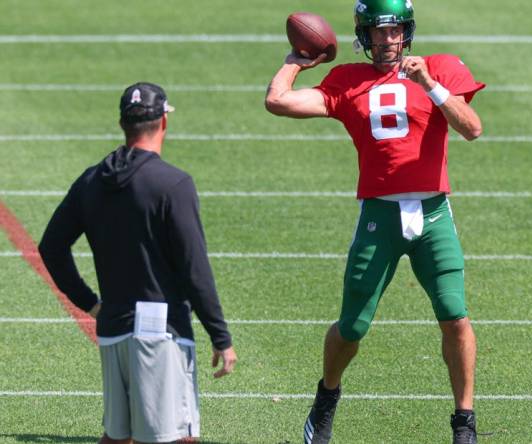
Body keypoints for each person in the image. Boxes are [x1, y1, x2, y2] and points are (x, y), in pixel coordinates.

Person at [266, 1, 484, 442]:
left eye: (395, 30)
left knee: (455, 316)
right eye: (378, 31)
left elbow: (472, 127)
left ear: (407, 31)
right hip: (379, 215)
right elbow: (278, 101)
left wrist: (430, 85)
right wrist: (295, 62)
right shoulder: (347, 80)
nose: (388, 39)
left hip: (433, 212)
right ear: (364, 36)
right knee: (353, 326)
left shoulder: (438, 68)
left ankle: (464, 422)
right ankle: (326, 398)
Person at [39, 82, 237, 444]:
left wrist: (91, 304)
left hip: (113, 328)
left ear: (122, 124)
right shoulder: (173, 184)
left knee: (117, 437)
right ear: (164, 122)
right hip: (162, 334)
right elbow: (194, 269)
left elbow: (51, 247)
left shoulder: (92, 181)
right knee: (177, 438)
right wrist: (221, 336)